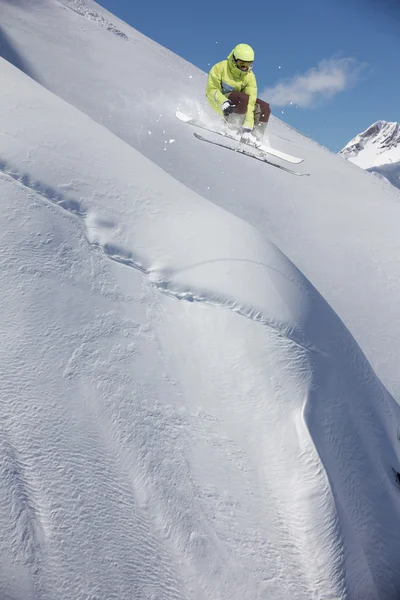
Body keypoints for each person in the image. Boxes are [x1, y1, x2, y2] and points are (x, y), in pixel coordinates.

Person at [206, 43, 271, 147]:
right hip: (219, 102)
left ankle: (254, 137)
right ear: (234, 59)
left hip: (240, 103)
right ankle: (232, 128)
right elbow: (211, 90)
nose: (245, 68)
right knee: (243, 97)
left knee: (264, 107)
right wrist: (223, 101)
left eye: (248, 65)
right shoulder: (220, 68)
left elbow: (250, 103)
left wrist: (247, 128)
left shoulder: (250, 76)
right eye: (242, 64)